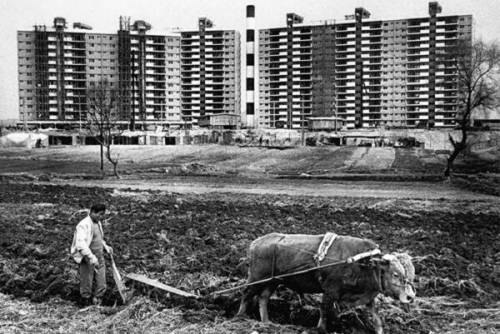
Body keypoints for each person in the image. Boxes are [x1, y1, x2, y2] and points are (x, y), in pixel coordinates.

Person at [70, 203, 113, 306]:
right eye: (100, 214)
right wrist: (91, 257)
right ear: (92, 212)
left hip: (99, 256)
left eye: (103, 215)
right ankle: (86, 301)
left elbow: (99, 238)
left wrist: (106, 247)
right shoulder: (83, 225)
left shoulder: (98, 223)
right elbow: (81, 245)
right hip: (87, 257)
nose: (102, 217)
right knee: (87, 280)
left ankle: (98, 299)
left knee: (101, 281)